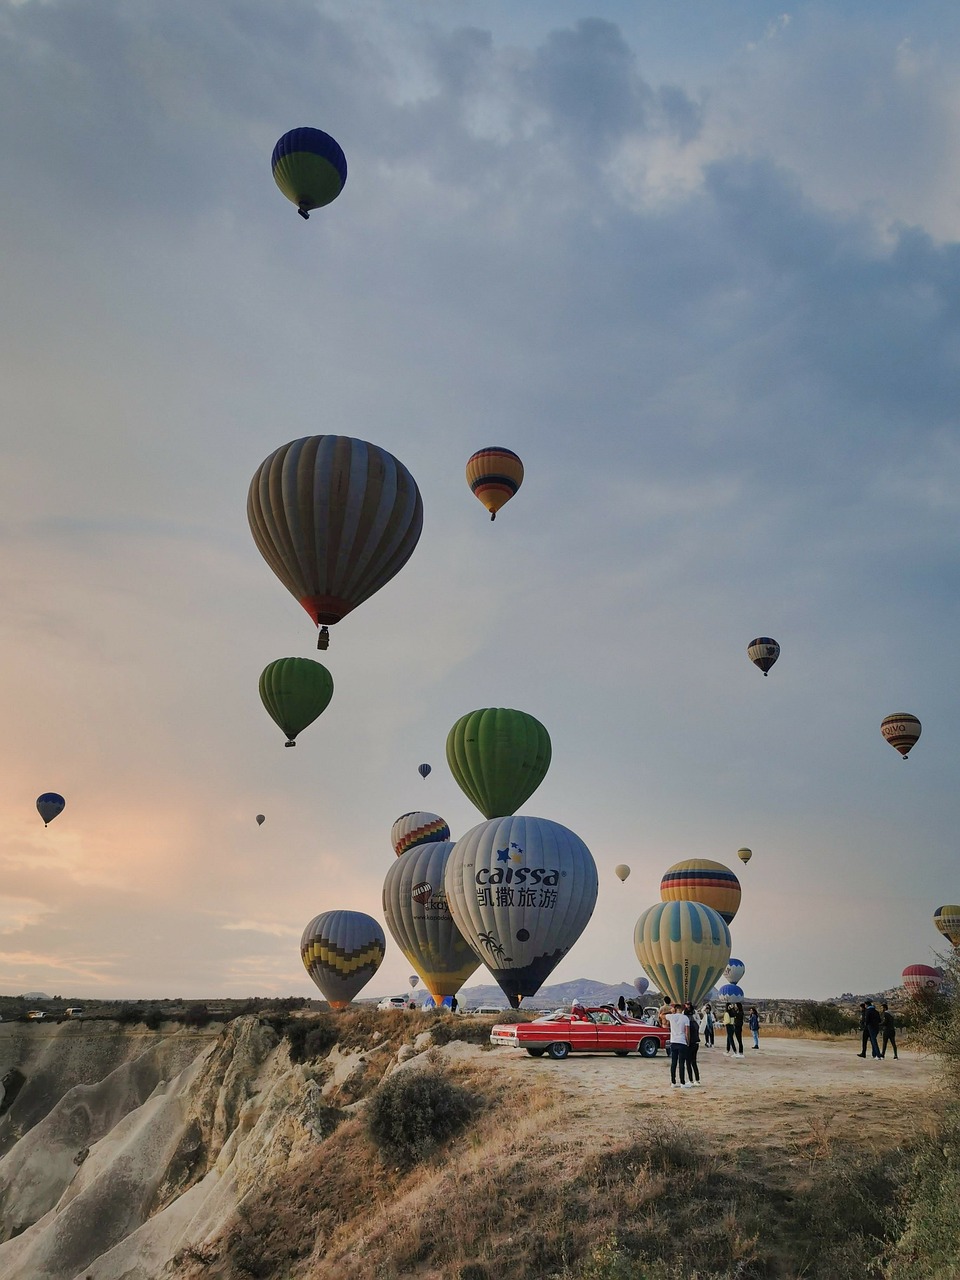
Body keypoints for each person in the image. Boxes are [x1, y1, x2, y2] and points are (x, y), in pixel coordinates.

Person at [664, 1001, 692, 1088]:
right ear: (681, 1009)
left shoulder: (671, 1016)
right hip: (682, 1042)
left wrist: (670, 1011)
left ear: (675, 1009)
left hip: (673, 1041)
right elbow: (687, 1032)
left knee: (673, 1063)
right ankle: (682, 1083)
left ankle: (673, 1082)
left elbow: (661, 1015)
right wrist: (688, 1042)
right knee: (681, 1063)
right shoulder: (685, 1018)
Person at [683, 1002, 702, 1085]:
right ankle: (697, 1080)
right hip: (696, 1043)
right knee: (694, 1062)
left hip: (689, 1043)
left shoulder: (687, 1025)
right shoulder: (696, 1024)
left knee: (688, 1062)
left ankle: (690, 1080)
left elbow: (687, 1035)